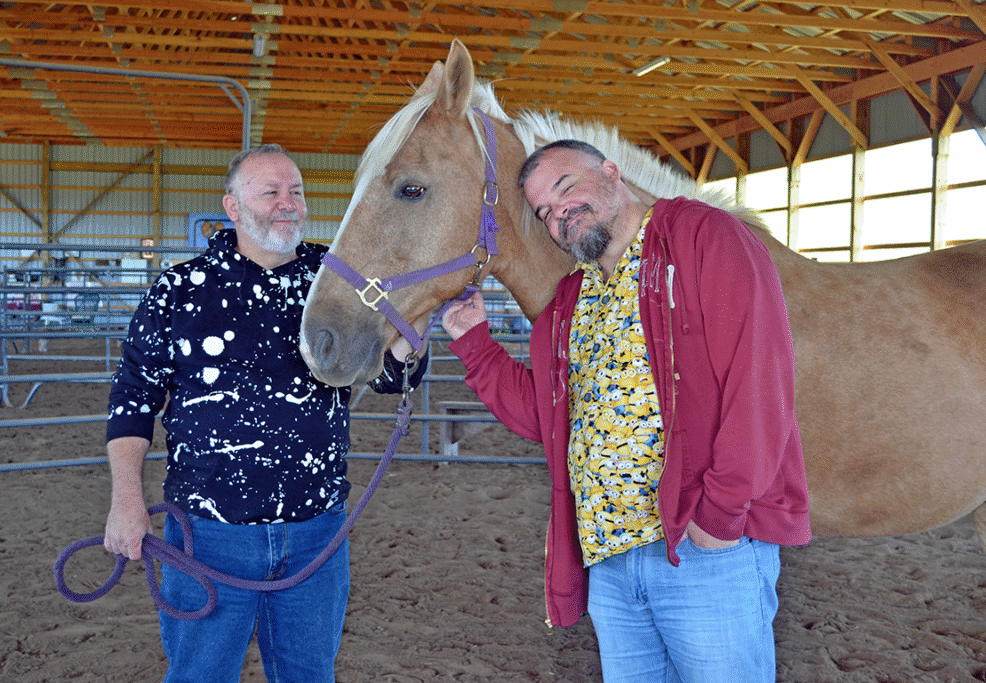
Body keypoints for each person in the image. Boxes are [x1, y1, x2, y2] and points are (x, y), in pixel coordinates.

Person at [442, 139, 811, 682]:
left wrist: (720, 515)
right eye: (544, 212)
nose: (560, 212)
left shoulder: (702, 236)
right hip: (611, 563)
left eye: (567, 188)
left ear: (611, 172)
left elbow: (758, 378)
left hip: (698, 547)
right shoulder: (574, 298)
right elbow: (547, 417)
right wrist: (473, 341)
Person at [103, 143, 426, 683]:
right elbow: (132, 400)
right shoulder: (178, 291)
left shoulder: (338, 283)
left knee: (309, 675)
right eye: (271, 191)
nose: (288, 203)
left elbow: (393, 378)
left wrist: (415, 326)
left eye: (296, 191)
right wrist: (125, 502)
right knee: (200, 675)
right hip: (207, 533)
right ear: (232, 207)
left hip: (316, 531)